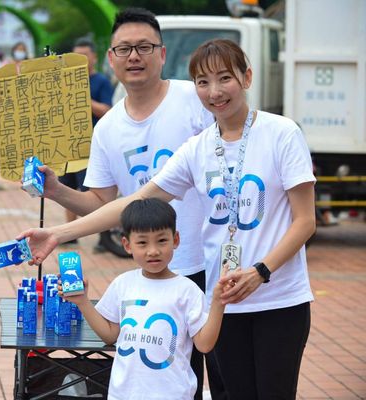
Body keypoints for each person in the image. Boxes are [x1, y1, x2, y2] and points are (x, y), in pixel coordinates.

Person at [21, 38, 316, 399]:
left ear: (247, 77)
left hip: (279, 299)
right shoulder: (199, 148)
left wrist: (260, 272)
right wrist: (56, 232)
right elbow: (134, 202)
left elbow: (305, 221)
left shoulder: (282, 133)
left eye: (225, 78)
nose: (215, 92)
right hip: (223, 300)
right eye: (203, 82)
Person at [38, 8, 219, 398]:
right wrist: (55, 190)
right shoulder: (107, 128)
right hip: (153, 267)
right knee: (167, 378)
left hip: (209, 264)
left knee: (221, 380)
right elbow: (101, 203)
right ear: (111, 58)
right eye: (124, 48)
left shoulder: (196, 100)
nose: (134, 56)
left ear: (163, 54)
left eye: (143, 47)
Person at [59, 198, 226, 399]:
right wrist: (83, 302)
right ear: (127, 245)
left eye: (162, 240)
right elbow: (110, 335)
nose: (153, 250)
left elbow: (204, 345)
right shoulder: (123, 284)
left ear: (176, 240)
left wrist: (218, 302)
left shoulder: (187, 290)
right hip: (124, 394)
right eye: (142, 242)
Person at [58, 37, 113, 245]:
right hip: (68, 145)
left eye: (85, 55)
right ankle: (70, 235)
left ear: (94, 57)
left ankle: (103, 237)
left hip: (91, 146)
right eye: (76, 55)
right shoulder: (67, 80)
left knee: (92, 192)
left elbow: (107, 110)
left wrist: (83, 99)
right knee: (68, 189)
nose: (80, 59)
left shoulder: (101, 82)